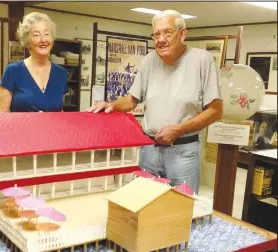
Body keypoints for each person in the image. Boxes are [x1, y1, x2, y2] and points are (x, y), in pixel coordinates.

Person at [87, 10, 223, 193]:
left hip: (183, 150)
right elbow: (132, 100)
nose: (161, 39)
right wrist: (111, 104)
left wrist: (178, 129)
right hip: (149, 149)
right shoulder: (149, 60)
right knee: (146, 203)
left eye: (167, 33)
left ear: (182, 34)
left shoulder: (202, 60)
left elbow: (216, 110)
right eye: (156, 34)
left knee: (181, 207)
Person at [0, 12, 68, 112]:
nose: (43, 40)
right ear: (27, 41)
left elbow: (60, 111)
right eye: (36, 35)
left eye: (47, 34)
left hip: (52, 128)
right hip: (20, 128)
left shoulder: (61, 73)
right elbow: (2, 113)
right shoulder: (13, 71)